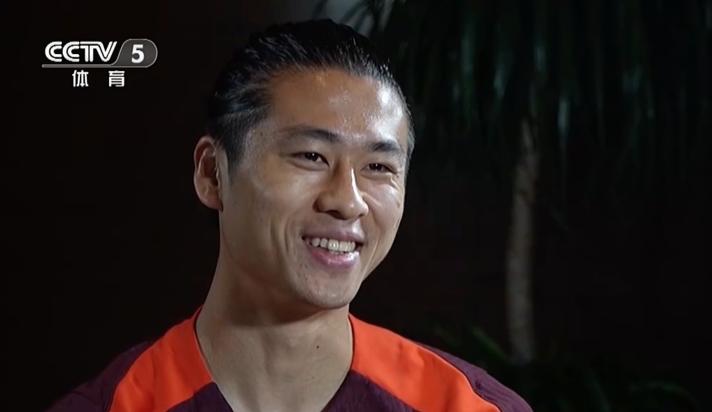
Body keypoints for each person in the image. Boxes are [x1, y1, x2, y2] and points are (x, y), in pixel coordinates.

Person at [48, 20, 532, 412]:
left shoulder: (465, 406)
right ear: (212, 173)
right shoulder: (115, 405)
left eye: (378, 167)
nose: (347, 201)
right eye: (311, 157)